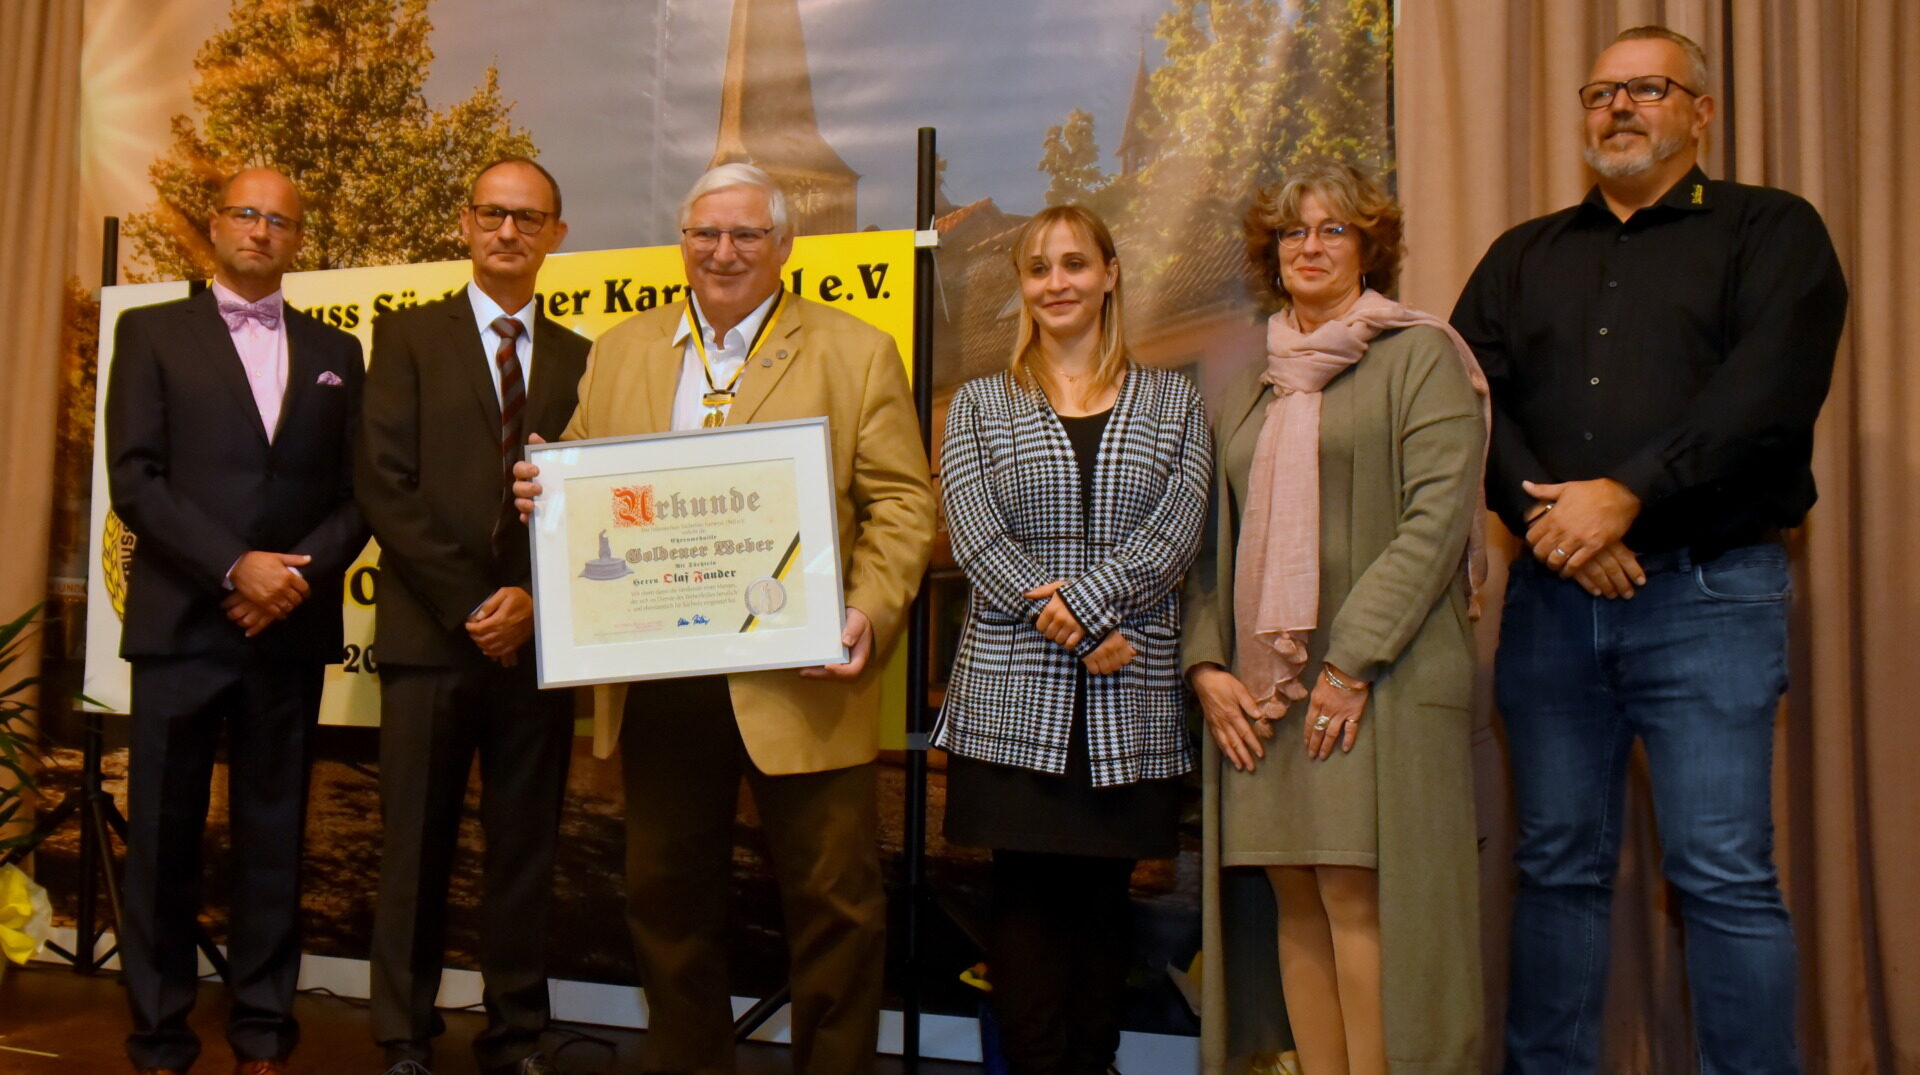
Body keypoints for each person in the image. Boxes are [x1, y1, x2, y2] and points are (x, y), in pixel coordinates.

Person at [1450, 26, 1847, 1075]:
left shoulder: (1774, 231)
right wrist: (1561, 530)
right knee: (1556, 868)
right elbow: (1468, 407)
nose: (1619, 109)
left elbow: (1767, 394)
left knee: (1721, 872)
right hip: (1551, 603)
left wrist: (1626, 496)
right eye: (1601, 93)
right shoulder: (1523, 254)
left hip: (1711, 593)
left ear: (1701, 112)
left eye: (1648, 89)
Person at [511, 163, 935, 1075]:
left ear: (784, 247)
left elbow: (904, 503)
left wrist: (867, 607)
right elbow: (585, 469)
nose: (723, 251)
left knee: (836, 908)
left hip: (803, 677)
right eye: (706, 233)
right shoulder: (621, 351)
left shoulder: (855, 350)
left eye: (745, 234)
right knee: (666, 904)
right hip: (663, 678)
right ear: (683, 243)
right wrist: (548, 480)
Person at [1183, 161, 1489, 1075]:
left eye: (1333, 230)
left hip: (1375, 680)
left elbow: (1436, 523)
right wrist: (1209, 666)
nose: (1309, 248)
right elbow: (1205, 543)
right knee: (1295, 897)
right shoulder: (1251, 382)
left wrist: (1349, 662)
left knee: (1359, 897)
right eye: (1292, 232)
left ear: (1370, 246)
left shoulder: (1421, 354)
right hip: (1268, 693)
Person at [933, 205, 1210, 1075]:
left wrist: (1082, 611)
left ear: (1110, 273)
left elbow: (1177, 532)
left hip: (1128, 700)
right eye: (1039, 268)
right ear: (1023, 286)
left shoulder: (1175, 398)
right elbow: (974, 537)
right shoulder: (981, 402)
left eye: (1074, 264)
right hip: (1011, 695)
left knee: (1099, 910)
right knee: (1022, 905)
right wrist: (1076, 627)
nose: (1057, 283)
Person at [106, 167, 368, 1075]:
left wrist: (293, 576)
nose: (261, 230)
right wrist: (232, 566)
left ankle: (263, 1027)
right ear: (216, 226)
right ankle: (158, 1034)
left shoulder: (339, 349)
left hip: (285, 632)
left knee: (272, 841)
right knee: (163, 846)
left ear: (299, 240)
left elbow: (355, 496)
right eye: (246, 214)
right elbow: (136, 480)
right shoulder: (148, 334)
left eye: (281, 220)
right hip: (183, 627)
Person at [355, 157, 590, 1075]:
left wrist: (533, 600)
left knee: (525, 849)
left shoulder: (581, 359)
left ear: (556, 236)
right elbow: (385, 486)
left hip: (538, 642)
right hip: (429, 636)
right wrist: (471, 603)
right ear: (465, 223)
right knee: (413, 846)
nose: (508, 232)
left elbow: (594, 503)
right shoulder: (406, 338)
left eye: (529, 218)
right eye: (493, 214)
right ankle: (402, 1034)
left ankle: (517, 1032)